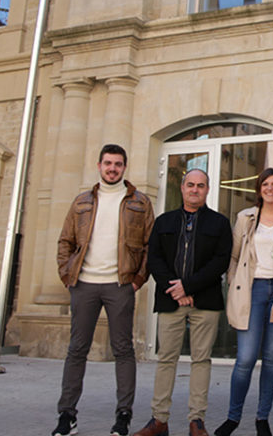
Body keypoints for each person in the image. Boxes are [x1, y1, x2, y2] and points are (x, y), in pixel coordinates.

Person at [53, 144, 155, 436]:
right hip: (84, 284)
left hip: (120, 284)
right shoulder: (81, 201)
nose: (113, 168)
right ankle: (67, 415)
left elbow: (150, 246)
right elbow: (65, 242)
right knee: (77, 350)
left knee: (123, 350)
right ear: (99, 166)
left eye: (118, 164)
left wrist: (137, 280)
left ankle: (123, 415)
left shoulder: (140, 202)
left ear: (125, 167)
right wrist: (66, 275)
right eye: (108, 163)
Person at [134, 169, 232, 436]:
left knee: (201, 360)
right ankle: (159, 420)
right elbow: (154, 259)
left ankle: (196, 421)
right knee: (166, 359)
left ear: (207, 190)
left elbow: (220, 262)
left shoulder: (220, 224)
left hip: (206, 301)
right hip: (170, 301)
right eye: (191, 184)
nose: (195, 189)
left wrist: (189, 286)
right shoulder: (163, 221)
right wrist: (176, 289)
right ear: (182, 187)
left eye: (201, 185)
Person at [214, 168, 273, 436]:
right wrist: (234, 283)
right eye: (265, 184)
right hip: (251, 290)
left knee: (271, 358)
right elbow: (235, 256)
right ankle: (233, 417)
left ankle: (263, 418)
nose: (270, 188)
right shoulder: (245, 218)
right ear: (259, 189)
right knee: (246, 358)